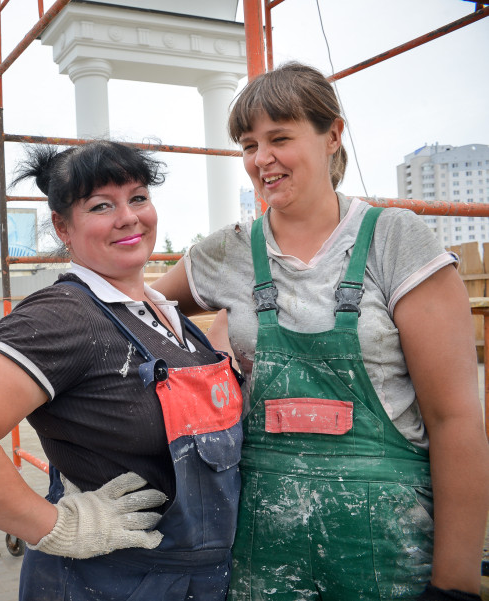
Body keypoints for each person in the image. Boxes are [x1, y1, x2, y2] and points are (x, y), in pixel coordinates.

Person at [153, 62, 489, 600]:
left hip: (386, 549)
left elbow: (455, 421)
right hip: (265, 550)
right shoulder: (227, 252)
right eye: (247, 145)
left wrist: (454, 584)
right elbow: (134, 310)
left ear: (332, 135)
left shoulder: (395, 241)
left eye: (279, 138)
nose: (262, 160)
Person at [0, 140, 244, 600]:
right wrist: (62, 528)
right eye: (101, 206)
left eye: (138, 197)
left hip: (191, 580)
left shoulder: (162, 312)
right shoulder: (63, 316)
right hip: (111, 582)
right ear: (62, 226)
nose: (128, 216)